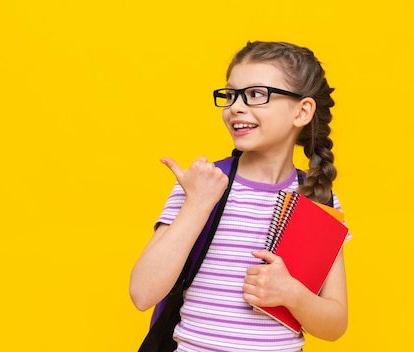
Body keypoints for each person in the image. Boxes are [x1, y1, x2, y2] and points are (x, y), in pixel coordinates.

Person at [130, 41, 350, 352]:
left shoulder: (318, 199)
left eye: (256, 94)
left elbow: (335, 324)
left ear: (302, 111)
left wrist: (292, 294)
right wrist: (198, 203)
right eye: (231, 94)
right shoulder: (203, 184)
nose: (235, 106)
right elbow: (142, 292)